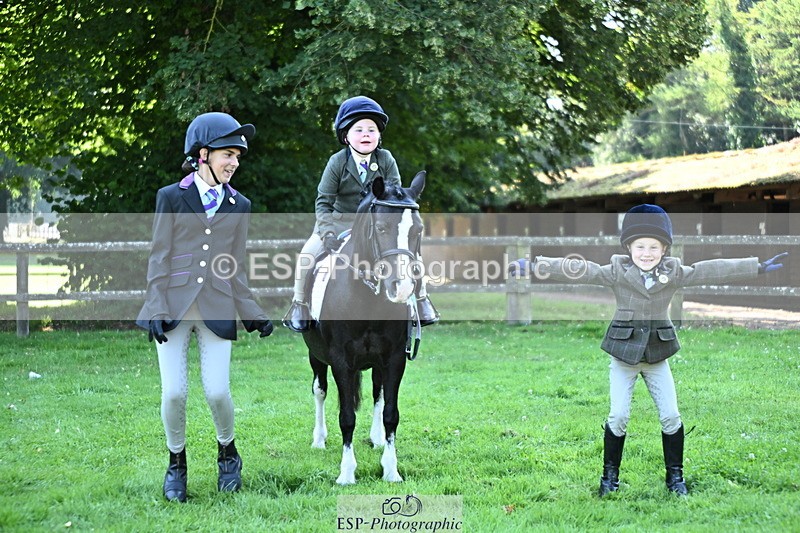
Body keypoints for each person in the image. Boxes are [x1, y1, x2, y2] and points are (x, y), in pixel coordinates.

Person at [509, 204, 788, 497]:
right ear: (629, 248)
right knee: (618, 416)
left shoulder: (674, 271)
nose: (646, 253)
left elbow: (707, 270)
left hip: (657, 355)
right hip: (624, 356)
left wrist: (754, 266)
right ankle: (609, 479)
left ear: (664, 249)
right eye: (640, 246)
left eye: (653, 247)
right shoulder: (617, 271)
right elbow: (584, 271)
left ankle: (675, 478)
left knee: (671, 416)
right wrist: (538, 265)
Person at [136, 112, 274, 503]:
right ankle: (176, 463)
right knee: (174, 394)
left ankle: (228, 453)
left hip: (217, 307)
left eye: (238, 157)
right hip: (174, 308)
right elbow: (159, 257)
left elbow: (236, 265)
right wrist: (154, 307)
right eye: (227, 154)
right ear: (202, 154)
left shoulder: (240, 204)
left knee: (216, 391)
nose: (233, 162)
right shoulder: (171, 196)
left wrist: (253, 313)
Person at [282, 95, 438, 331]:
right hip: (337, 224)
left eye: (371, 130)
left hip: (377, 226)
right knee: (307, 255)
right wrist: (326, 234)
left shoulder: (385, 159)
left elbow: (394, 196)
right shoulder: (337, 162)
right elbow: (323, 202)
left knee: (412, 256)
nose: (366, 134)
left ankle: (423, 300)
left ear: (379, 136)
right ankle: (299, 304)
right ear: (346, 136)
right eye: (359, 130)